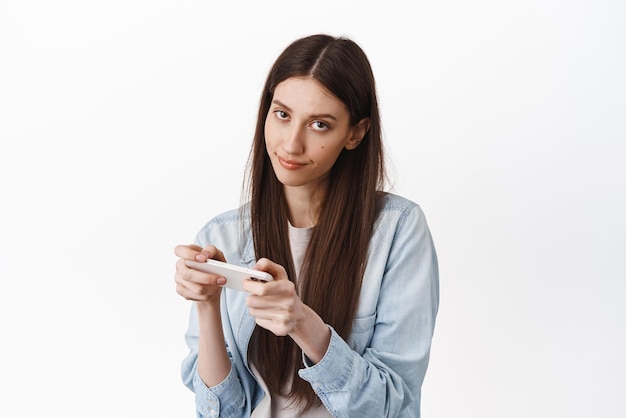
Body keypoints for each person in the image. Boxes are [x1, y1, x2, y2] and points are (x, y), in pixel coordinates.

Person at [174, 33, 439, 418]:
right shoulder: (222, 235)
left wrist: (303, 323)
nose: (291, 144)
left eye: (319, 124)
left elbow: (390, 404)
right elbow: (222, 411)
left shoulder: (398, 231)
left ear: (355, 133)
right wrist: (207, 305)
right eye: (282, 115)